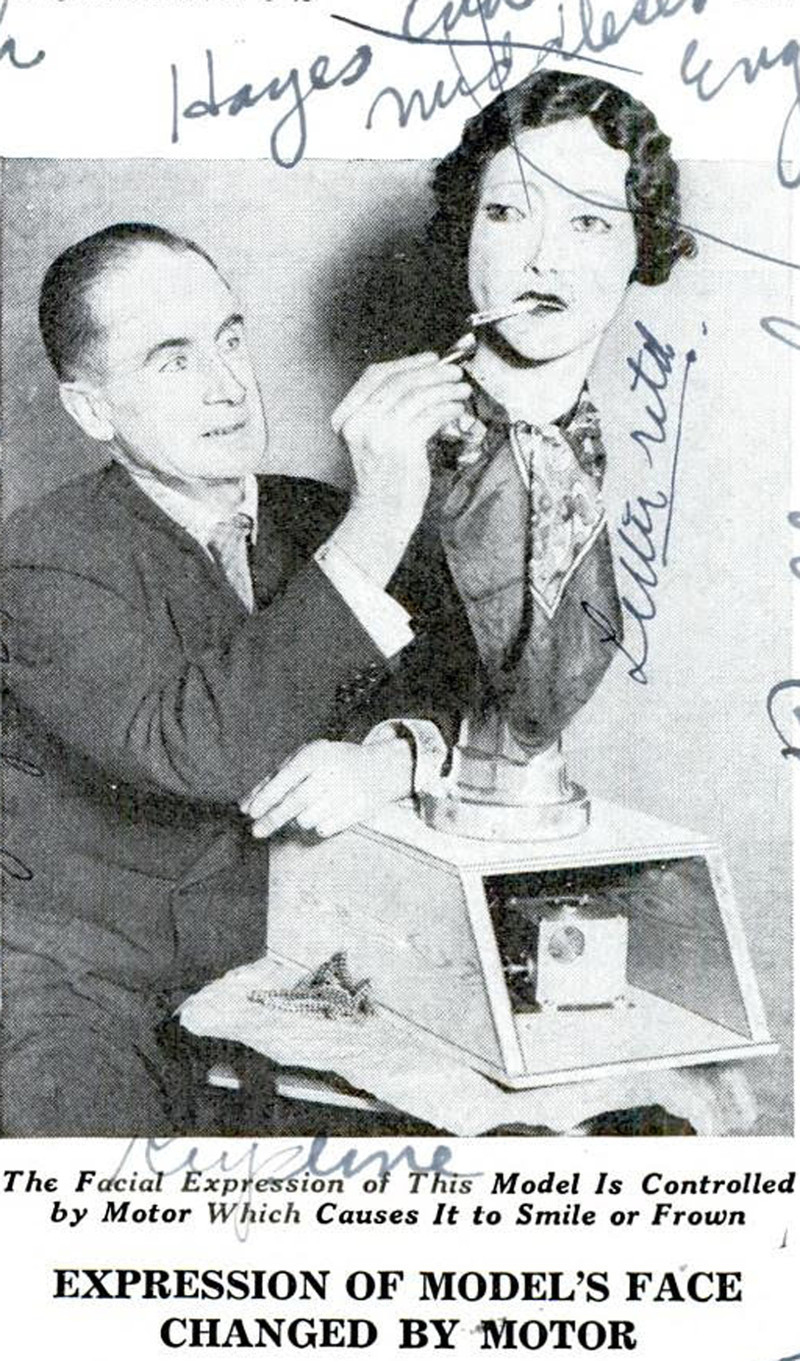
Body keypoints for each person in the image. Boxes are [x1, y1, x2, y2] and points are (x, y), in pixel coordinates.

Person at [0, 222, 471, 1135]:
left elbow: (460, 683)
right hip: (94, 1004)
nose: (228, 385)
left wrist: (394, 758)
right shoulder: (41, 560)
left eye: (229, 338)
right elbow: (194, 743)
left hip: (304, 989)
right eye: (173, 360)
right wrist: (379, 522)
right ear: (92, 411)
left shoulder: (317, 516)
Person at [244, 70, 696, 840]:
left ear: (639, 249)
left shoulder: (579, 456)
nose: (545, 258)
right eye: (508, 212)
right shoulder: (400, 452)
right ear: (467, 232)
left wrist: (400, 759)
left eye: (590, 222)